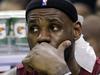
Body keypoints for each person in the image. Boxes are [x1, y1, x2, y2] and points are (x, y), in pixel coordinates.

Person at [2, 0, 100, 75]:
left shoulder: (96, 69)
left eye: (54, 27)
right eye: (34, 29)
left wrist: (61, 72)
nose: (42, 37)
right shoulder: (21, 72)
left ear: (76, 31)